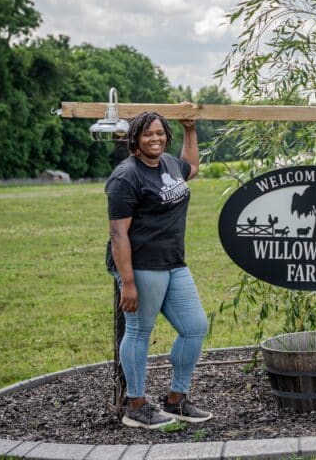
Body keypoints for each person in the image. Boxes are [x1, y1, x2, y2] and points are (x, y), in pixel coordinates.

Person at [105, 110, 212, 428]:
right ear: (135, 139)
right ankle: (136, 406)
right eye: (148, 134)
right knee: (139, 331)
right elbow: (118, 234)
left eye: (160, 133)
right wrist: (128, 282)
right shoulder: (126, 176)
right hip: (141, 265)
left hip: (173, 262)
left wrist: (190, 131)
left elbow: (191, 168)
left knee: (195, 327)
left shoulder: (167, 163)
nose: (155, 139)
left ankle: (176, 400)